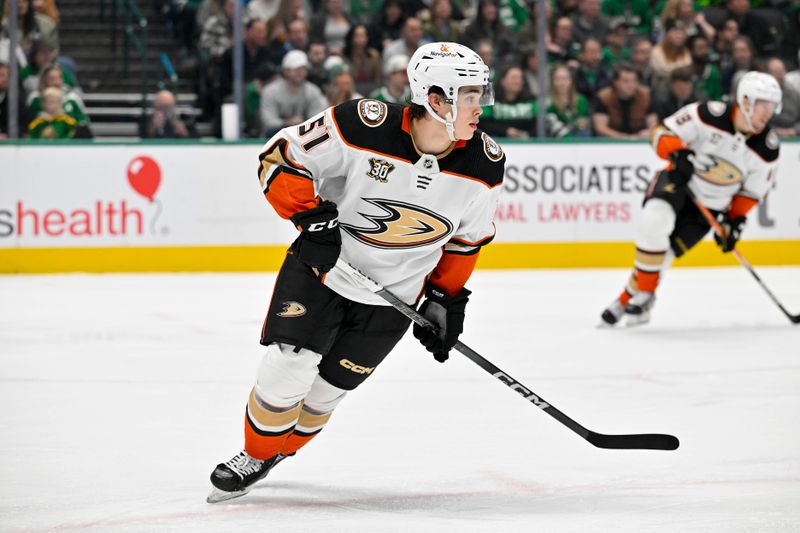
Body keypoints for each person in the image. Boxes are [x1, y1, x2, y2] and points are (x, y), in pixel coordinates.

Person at [207, 41, 505, 503]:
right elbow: (279, 155)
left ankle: (275, 452)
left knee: (326, 395)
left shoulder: (485, 164)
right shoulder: (360, 125)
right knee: (288, 367)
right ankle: (254, 453)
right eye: (469, 95)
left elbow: (466, 240)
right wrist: (309, 218)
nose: (480, 107)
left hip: (394, 299)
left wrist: (447, 299)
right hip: (323, 271)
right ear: (436, 98)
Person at [600, 71, 781, 326]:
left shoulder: (767, 148)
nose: (768, 113)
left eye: (772, 106)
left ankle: (629, 298)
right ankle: (642, 297)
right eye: (763, 105)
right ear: (746, 100)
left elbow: (751, 193)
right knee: (654, 222)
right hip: (679, 183)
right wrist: (678, 153)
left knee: (660, 258)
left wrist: (733, 222)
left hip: (710, 207)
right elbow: (660, 133)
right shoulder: (708, 114)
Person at [259, 49, 327, 136]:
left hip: (305, 137)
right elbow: (268, 121)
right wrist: (286, 123)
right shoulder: (270, 91)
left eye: (303, 69)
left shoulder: (313, 91)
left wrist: (302, 125)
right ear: (285, 71)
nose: (300, 72)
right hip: (275, 138)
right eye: (296, 69)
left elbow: (318, 119)